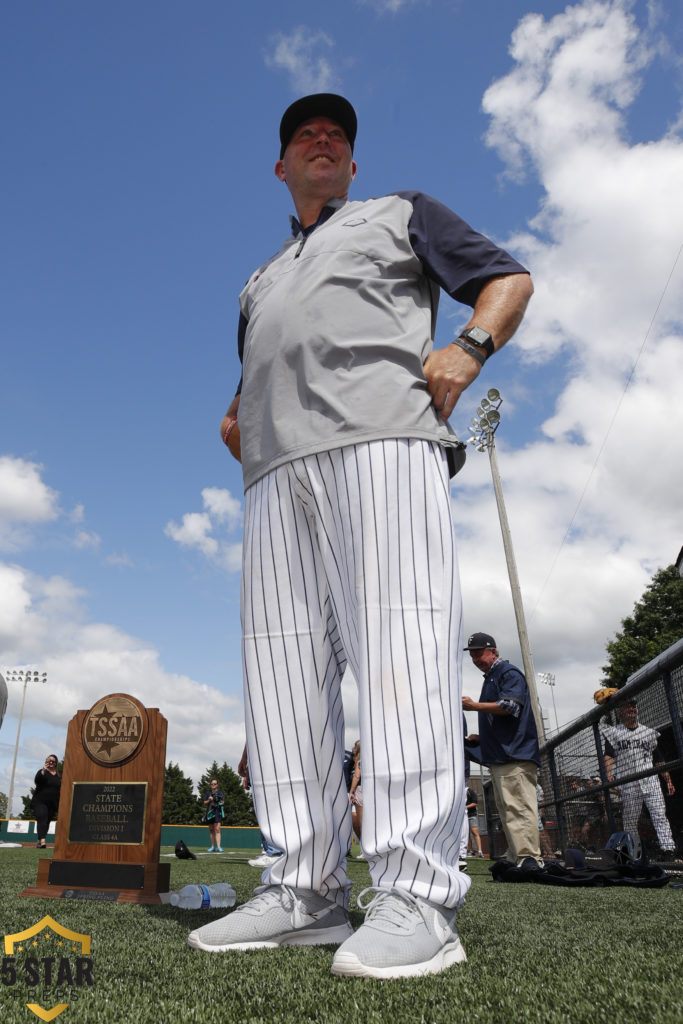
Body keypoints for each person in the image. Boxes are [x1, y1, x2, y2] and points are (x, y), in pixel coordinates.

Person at [189, 93, 532, 978]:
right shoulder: (256, 280)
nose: (321, 137)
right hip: (273, 478)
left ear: (349, 161)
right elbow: (257, 364)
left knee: (400, 652)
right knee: (281, 674)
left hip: (382, 441)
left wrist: (469, 348)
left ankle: (416, 893)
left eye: (335, 132)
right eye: (303, 131)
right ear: (280, 167)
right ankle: (302, 888)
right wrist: (236, 416)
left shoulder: (399, 212)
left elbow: (508, 278)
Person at [462, 632, 542, 868]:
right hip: (502, 754)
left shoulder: (507, 672)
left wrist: (474, 706)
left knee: (518, 807)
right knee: (508, 808)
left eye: (480, 653)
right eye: (473, 655)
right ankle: (517, 854)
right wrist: (481, 737)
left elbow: (510, 706)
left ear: (494, 652)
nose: (476, 659)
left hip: (514, 754)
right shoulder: (492, 676)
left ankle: (529, 857)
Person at [601, 699, 677, 857]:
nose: (631, 709)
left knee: (659, 814)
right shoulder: (615, 732)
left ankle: (668, 849)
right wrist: (608, 774)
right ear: (619, 712)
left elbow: (659, 759)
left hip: (650, 780)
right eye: (627, 706)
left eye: (633, 706)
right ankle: (634, 851)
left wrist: (668, 780)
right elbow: (609, 755)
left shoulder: (648, 732)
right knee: (630, 819)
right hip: (628, 781)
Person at [32, 754, 61, 848]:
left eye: (53, 761)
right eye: (49, 761)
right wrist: (43, 770)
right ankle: (43, 842)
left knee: (47, 822)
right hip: (40, 801)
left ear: (56, 763)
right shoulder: (42, 772)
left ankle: (39, 840)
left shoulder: (58, 775)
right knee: (42, 819)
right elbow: (37, 780)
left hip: (52, 803)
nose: (51, 763)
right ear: (46, 762)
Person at [348, 740, 364, 858]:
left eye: (355, 747)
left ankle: (366, 850)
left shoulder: (359, 762)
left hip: (360, 790)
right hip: (370, 790)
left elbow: (356, 776)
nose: (353, 749)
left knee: (361, 821)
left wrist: (351, 791)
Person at [203, 779, 224, 853]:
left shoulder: (220, 792)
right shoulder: (208, 793)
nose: (213, 785)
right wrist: (209, 800)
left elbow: (223, 802)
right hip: (209, 812)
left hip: (217, 811)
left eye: (215, 784)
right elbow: (204, 802)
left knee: (217, 829)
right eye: (212, 784)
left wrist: (217, 799)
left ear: (217, 785)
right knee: (211, 829)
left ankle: (219, 847)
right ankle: (212, 846)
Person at [465, 787, 484, 858]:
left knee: (474, 831)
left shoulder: (470, 791)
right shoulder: (459, 791)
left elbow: (475, 803)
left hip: (471, 815)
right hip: (463, 816)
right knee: (466, 833)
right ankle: (471, 851)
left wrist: (465, 807)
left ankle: (480, 851)